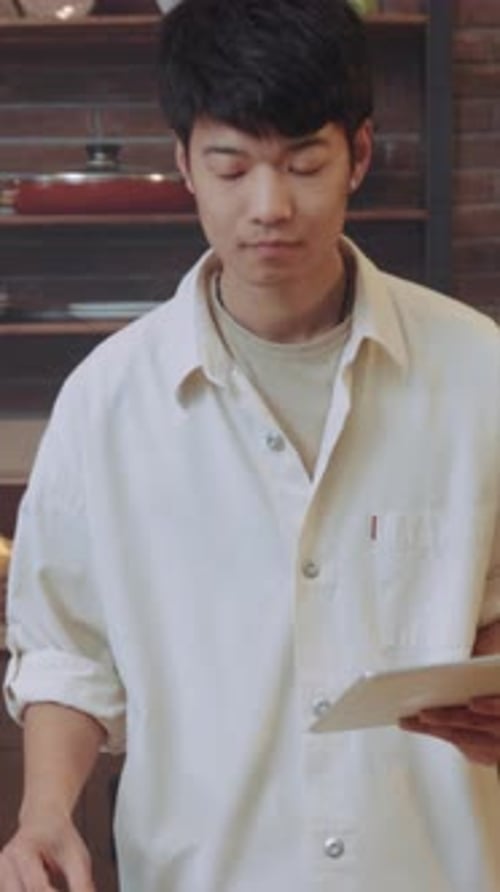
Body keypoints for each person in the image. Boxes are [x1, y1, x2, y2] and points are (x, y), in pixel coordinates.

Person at [1, 1, 500, 890]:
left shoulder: (478, 370)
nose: (269, 207)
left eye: (305, 164)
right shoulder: (108, 403)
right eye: (231, 167)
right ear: (185, 165)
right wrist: (44, 816)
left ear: (360, 155)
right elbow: (66, 652)